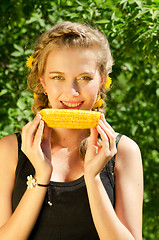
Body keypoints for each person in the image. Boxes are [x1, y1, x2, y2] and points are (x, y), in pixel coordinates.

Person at [0, 21, 143, 240]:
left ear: (102, 81)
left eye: (84, 78)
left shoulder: (124, 151)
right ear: (43, 83)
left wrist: (93, 178)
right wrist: (41, 176)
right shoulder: (9, 150)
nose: (72, 92)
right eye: (58, 77)